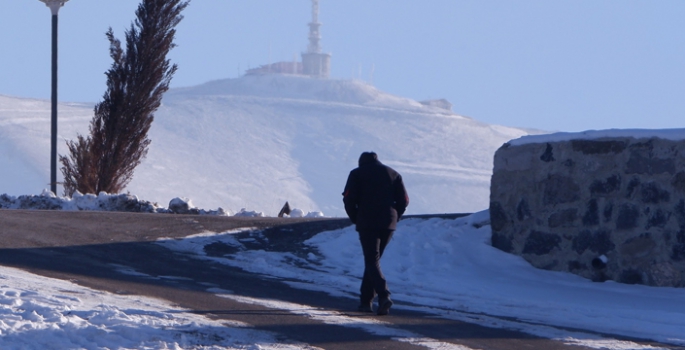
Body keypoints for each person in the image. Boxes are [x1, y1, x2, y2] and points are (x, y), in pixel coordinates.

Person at [342, 151, 409, 315]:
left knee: (372, 260)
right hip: (388, 222)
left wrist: (356, 218)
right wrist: (395, 216)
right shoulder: (393, 173)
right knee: (374, 261)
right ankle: (366, 302)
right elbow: (404, 200)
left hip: (367, 221)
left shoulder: (356, 174)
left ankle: (384, 295)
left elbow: (348, 199)